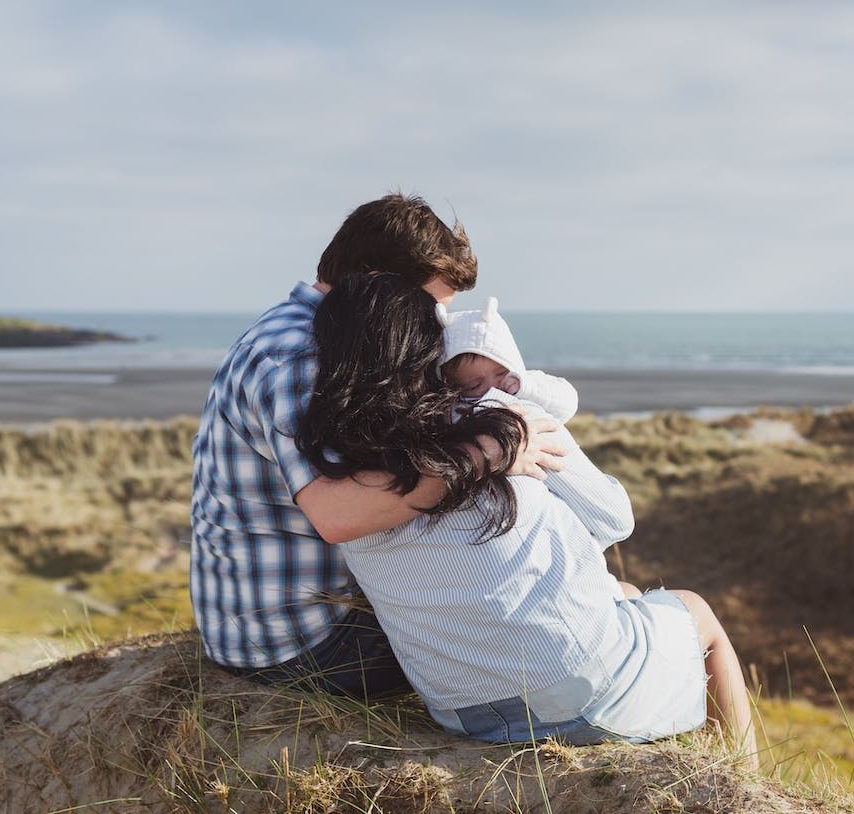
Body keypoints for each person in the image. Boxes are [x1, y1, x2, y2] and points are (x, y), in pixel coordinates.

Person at [297, 272, 758, 766]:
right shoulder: (501, 419)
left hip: (460, 709)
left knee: (622, 594)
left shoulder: (331, 463)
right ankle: (748, 784)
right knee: (696, 612)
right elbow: (613, 521)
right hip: (576, 690)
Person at [190, 194, 567, 697]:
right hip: (308, 643)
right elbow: (338, 514)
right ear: (372, 279)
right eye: (428, 306)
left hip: (270, 628)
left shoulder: (301, 333)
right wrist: (485, 454)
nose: (434, 325)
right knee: (553, 640)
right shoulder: (301, 355)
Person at [437, 296, 578, 421]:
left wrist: (528, 388)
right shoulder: (455, 411)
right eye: (474, 385)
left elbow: (568, 404)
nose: (493, 386)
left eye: (501, 373)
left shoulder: (528, 383)